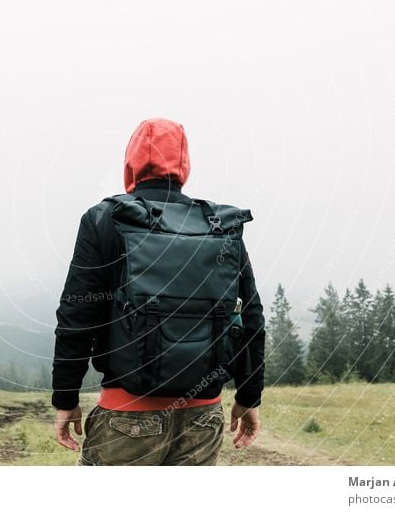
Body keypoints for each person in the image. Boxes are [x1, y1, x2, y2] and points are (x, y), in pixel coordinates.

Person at [51, 118, 265, 466]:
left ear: (131, 163)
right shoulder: (219, 226)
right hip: (203, 419)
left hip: (126, 416)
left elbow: (77, 315)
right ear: (184, 166)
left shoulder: (106, 218)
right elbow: (250, 319)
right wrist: (249, 396)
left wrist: (65, 397)